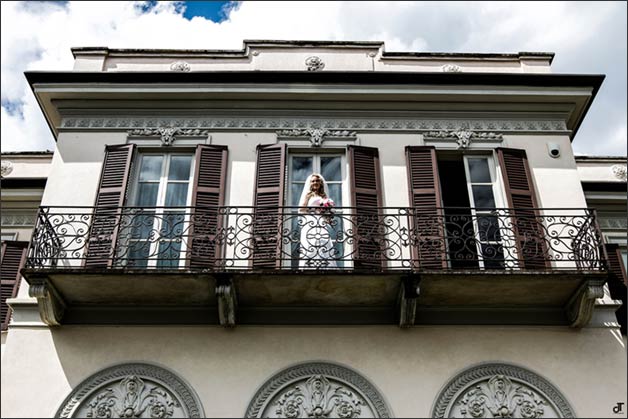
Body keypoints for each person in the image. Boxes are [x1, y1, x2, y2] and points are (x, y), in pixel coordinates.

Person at [298, 173, 338, 269]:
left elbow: (327, 212)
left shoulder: (324, 196)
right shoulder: (308, 195)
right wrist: (313, 209)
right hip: (310, 221)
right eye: (313, 181)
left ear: (320, 183)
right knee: (310, 242)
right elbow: (301, 209)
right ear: (310, 183)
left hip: (321, 221)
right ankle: (309, 266)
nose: (315, 182)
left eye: (317, 181)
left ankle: (325, 266)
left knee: (323, 240)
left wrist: (326, 210)